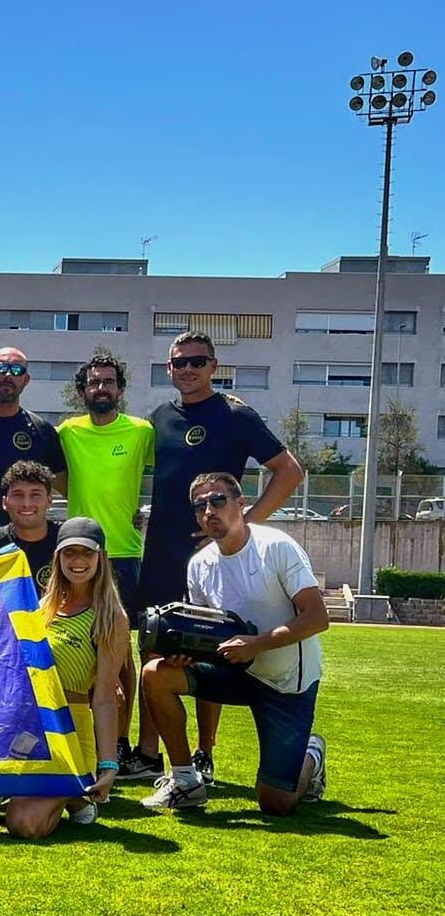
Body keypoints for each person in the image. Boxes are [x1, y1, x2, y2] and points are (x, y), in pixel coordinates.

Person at [129, 331, 303, 784]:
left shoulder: (237, 414)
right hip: (162, 554)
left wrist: (241, 527)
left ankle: (204, 753)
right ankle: (148, 755)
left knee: (209, 646)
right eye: (179, 362)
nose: (188, 369)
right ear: (168, 368)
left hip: (215, 558)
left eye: (197, 361)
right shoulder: (157, 420)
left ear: (213, 365)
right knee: (153, 646)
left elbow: (289, 471)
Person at [140, 473, 328, 814]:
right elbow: (208, 632)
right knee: (155, 672)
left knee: (275, 803)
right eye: (200, 506)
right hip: (237, 671)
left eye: (218, 501)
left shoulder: (276, 547)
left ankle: (311, 754)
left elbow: (317, 617)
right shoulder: (199, 564)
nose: (209, 511)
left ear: (241, 505)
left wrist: (256, 644)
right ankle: (185, 780)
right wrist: (187, 654)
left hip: (287, 683)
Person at [0, 517, 127, 838]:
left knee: (23, 824)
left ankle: (75, 793)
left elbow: (107, 697)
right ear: (57, 557)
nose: (78, 561)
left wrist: (108, 765)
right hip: (32, 729)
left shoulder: (111, 616)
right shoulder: (42, 608)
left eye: (87, 553)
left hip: (70, 732)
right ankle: (72, 799)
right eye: (70, 553)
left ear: (101, 558)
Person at [57, 354, 154, 771]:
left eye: (109, 382)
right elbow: (56, 476)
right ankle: (82, 739)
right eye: (94, 382)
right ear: (82, 391)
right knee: (80, 649)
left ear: (120, 389)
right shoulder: (67, 433)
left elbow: (168, 469)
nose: (101, 388)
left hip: (125, 553)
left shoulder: (141, 432)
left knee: (122, 655)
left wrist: (145, 508)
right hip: (79, 552)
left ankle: (120, 742)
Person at [0, 347, 67, 555]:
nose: (8, 375)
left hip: (28, 555)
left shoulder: (42, 431)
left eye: (16, 370)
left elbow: (69, 489)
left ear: (26, 379)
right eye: (0, 368)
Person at [0, 461, 58, 591]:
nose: (27, 504)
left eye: (35, 495)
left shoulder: (63, 540)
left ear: (49, 501)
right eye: (18, 495)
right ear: (5, 502)